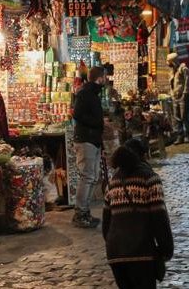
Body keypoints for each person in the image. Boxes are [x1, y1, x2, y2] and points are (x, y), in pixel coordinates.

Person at [102, 138, 174, 289]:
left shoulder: (112, 183)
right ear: (144, 155)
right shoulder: (150, 179)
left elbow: (106, 225)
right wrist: (166, 249)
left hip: (116, 254)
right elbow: (159, 218)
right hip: (141, 252)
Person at [72, 66, 108, 228]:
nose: (106, 80)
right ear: (100, 78)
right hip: (85, 139)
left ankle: (85, 211)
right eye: (105, 77)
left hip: (92, 139)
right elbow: (78, 114)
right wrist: (98, 123)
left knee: (92, 176)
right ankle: (80, 213)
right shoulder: (86, 93)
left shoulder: (92, 93)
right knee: (87, 176)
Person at [168, 53, 189, 145]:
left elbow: (188, 81)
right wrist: (172, 95)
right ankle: (180, 136)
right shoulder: (172, 71)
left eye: (169, 62)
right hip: (175, 97)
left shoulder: (183, 69)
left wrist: (185, 93)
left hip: (183, 96)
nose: (168, 64)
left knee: (184, 117)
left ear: (173, 61)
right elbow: (171, 85)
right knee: (177, 117)